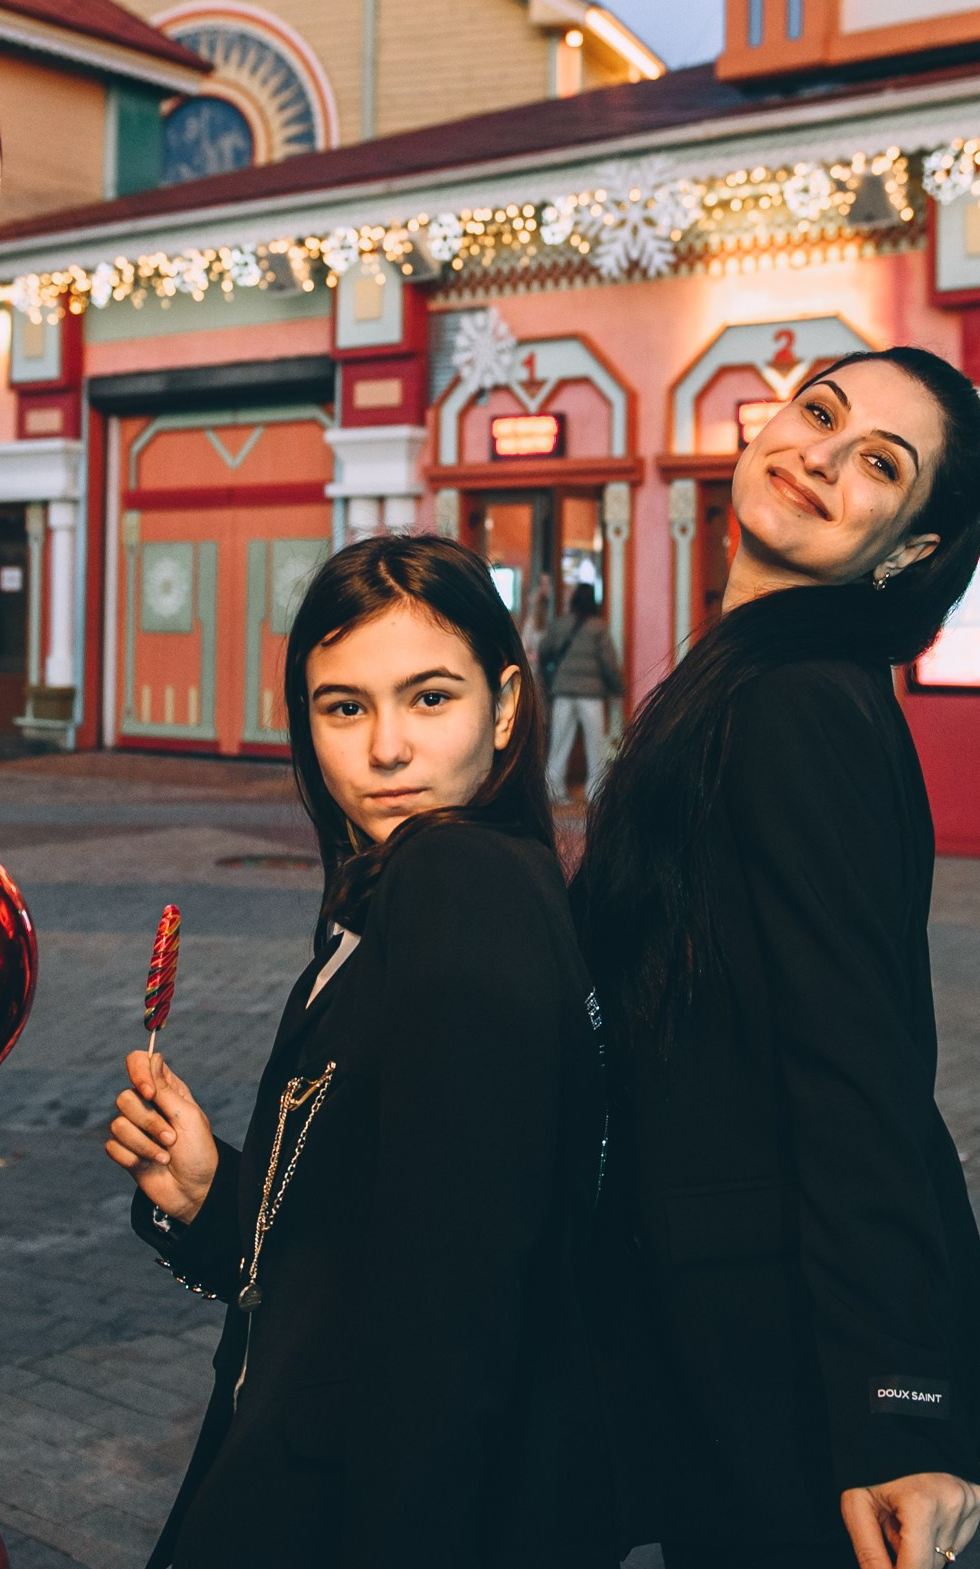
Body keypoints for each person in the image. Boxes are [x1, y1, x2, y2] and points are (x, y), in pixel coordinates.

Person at [573, 349, 980, 1569]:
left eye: (879, 464)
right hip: (719, 1324)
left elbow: (859, 1061)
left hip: (784, 1355)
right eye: (821, 412)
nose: (822, 454)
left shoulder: (800, 703)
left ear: (910, 550)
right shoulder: (747, 678)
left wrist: (900, 1401)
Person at [106, 533, 611, 1569]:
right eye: (344, 707)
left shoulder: (456, 878)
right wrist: (211, 1197)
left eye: (430, 698)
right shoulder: (409, 890)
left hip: (352, 1514)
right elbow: (370, 1241)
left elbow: (458, 1312)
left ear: (505, 707)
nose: (387, 749)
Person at [539, 583, 621, 802]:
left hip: (563, 691)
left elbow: (544, 650)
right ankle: (595, 792)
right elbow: (608, 662)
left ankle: (553, 790)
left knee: (559, 744)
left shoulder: (560, 624)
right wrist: (616, 688)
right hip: (591, 694)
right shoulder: (598, 627)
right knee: (595, 745)